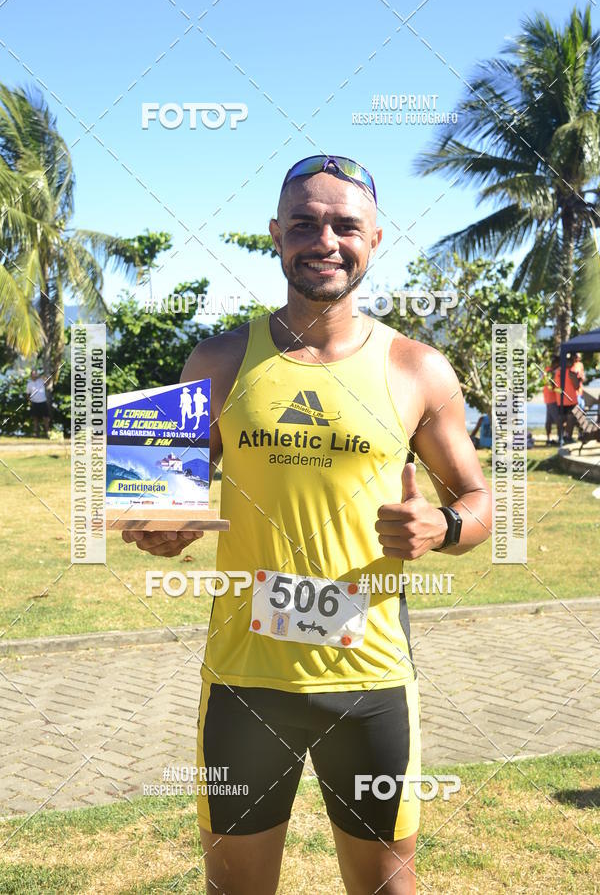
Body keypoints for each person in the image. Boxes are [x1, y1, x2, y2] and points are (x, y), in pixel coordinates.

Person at [123, 154, 492, 894]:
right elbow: (154, 498)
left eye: (345, 224)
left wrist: (441, 528)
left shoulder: (418, 368)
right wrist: (161, 526)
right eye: (304, 224)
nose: (324, 239)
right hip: (244, 682)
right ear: (276, 236)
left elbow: (481, 502)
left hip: (371, 683)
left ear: (375, 238)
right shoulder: (220, 358)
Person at [554, 356, 581, 443]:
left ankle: (560, 438)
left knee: (561, 420)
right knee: (571, 420)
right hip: (571, 401)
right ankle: (568, 437)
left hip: (560, 401)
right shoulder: (571, 373)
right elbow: (576, 386)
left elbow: (554, 387)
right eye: (572, 361)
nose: (573, 363)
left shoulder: (557, 372)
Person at [26, 369, 50, 437]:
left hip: (43, 402)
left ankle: (47, 432)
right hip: (34, 403)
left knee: (46, 418)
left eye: (35, 374)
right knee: (35, 418)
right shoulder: (29, 384)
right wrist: (29, 401)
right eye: (33, 374)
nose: (34, 375)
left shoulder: (41, 381)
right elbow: (27, 394)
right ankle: (36, 433)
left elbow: (48, 382)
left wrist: (41, 376)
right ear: (31, 375)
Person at [543, 354, 560, 445]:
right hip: (552, 399)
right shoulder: (550, 372)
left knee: (549, 420)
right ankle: (559, 438)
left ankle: (548, 439)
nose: (558, 365)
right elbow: (552, 386)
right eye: (558, 364)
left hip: (548, 398)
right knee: (558, 420)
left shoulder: (547, 370)